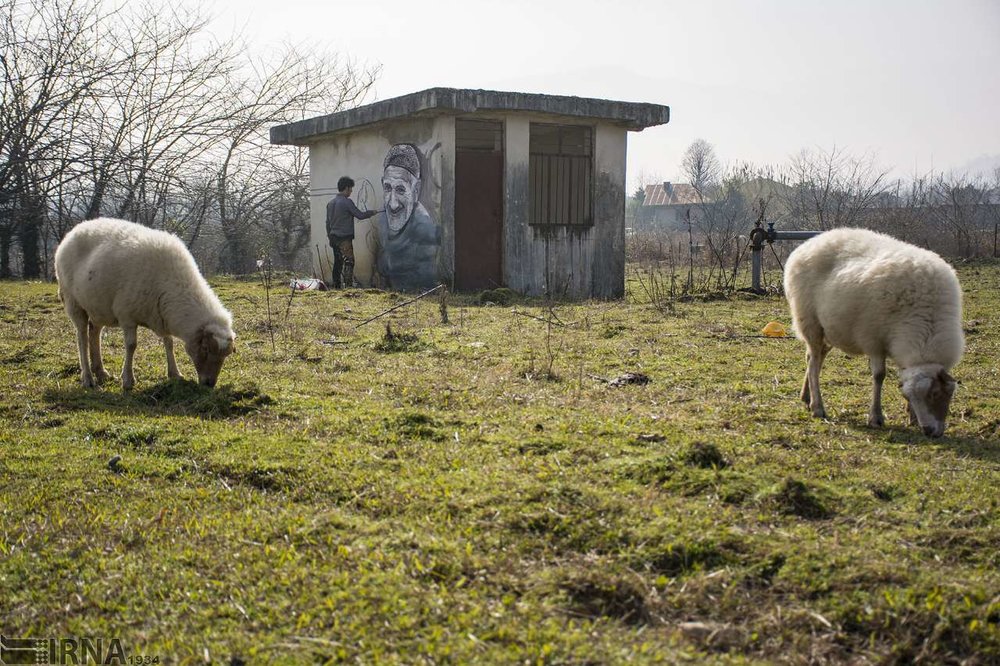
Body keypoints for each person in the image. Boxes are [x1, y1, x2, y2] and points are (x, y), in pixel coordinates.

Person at [374, 144, 441, 291]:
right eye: (387, 188)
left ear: (416, 190)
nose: (392, 204)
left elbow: (425, 278)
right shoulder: (383, 221)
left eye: (400, 189)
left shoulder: (424, 229)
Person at [326, 176, 379, 288]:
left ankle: (337, 286)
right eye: (350, 189)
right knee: (349, 262)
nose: (351, 191)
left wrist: (330, 238)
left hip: (334, 237)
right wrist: (372, 212)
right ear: (346, 188)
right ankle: (348, 286)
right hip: (344, 238)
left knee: (338, 262)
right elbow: (359, 215)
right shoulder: (347, 202)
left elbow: (327, 223)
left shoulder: (330, 203)